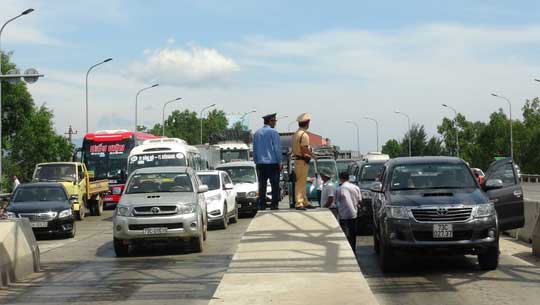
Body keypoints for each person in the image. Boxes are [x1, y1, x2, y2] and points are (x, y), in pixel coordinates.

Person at [253, 113, 282, 210]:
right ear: (270, 121)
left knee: (262, 186)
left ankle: (262, 205)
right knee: (274, 185)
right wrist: (280, 161)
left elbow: (255, 149)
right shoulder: (273, 132)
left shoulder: (257, 133)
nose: (275, 123)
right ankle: (274, 205)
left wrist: (256, 161)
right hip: (272, 163)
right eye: (274, 121)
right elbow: (277, 149)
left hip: (260, 164)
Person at [292, 113, 317, 210]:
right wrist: (313, 156)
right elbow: (304, 148)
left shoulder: (296, 134)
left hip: (298, 160)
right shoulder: (304, 135)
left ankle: (304, 201)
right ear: (308, 123)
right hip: (302, 160)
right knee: (300, 183)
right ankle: (299, 203)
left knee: (301, 182)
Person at [336, 171, 361, 253]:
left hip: (344, 215)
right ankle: (353, 250)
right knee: (353, 234)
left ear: (340, 178)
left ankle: (346, 251)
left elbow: (337, 200)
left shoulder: (340, 188)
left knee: (345, 235)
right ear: (348, 178)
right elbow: (360, 200)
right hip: (354, 214)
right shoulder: (356, 187)